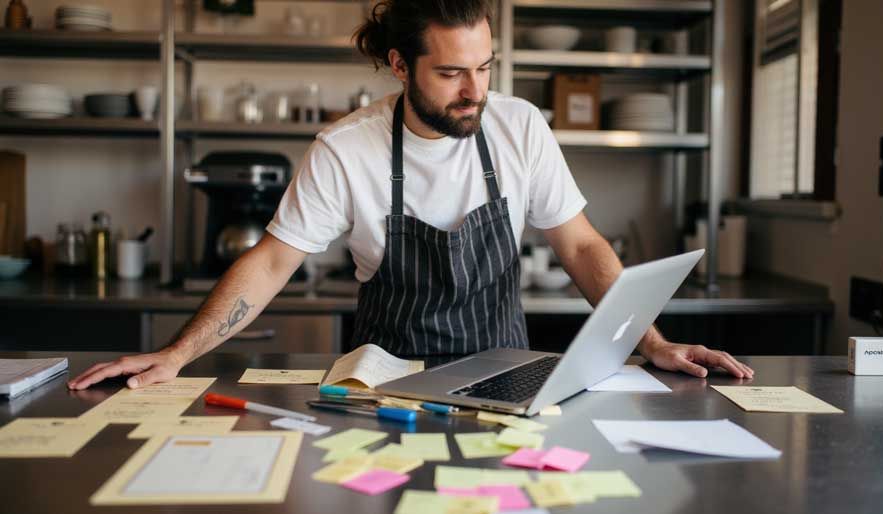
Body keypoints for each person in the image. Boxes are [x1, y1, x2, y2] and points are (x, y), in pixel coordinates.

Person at [68, 0, 753, 391]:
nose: (475, 91)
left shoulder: (519, 127)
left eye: (485, 67)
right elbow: (272, 261)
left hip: (504, 379)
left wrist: (652, 342)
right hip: (383, 387)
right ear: (400, 65)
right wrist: (178, 353)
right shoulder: (346, 148)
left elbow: (579, 245)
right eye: (452, 73)